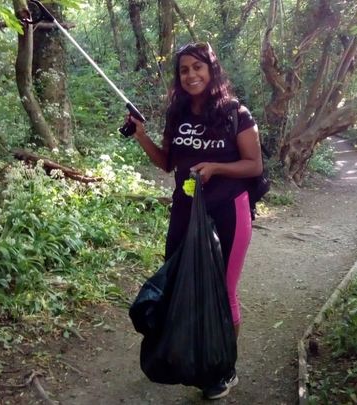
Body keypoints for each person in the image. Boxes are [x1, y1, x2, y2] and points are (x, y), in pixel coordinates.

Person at [127, 42, 263, 400]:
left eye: (197, 67)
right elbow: (166, 162)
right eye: (184, 69)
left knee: (223, 290)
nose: (191, 75)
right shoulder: (178, 113)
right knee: (179, 282)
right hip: (185, 211)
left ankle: (222, 367)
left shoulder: (236, 112)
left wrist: (216, 167)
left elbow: (254, 165)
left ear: (212, 70)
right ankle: (189, 355)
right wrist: (141, 134)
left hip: (228, 209)